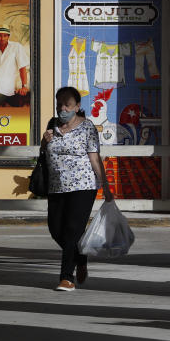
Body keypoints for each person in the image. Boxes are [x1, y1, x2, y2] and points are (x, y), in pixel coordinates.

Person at [42, 86, 115, 292]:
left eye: (67, 105)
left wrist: (106, 188)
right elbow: (44, 152)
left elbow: (94, 158)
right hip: (56, 187)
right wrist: (44, 141)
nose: (62, 108)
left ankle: (67, 278)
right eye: (59, 104)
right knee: (56, 229)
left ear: (77, 107)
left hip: (82, 186)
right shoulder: (52, 124)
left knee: (73, 229)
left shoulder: (87, 127)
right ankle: (81, 257)